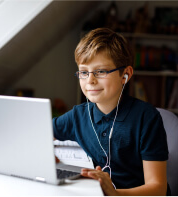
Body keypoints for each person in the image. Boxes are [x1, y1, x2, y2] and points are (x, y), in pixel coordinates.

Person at [52, 28, 169, 196]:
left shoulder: (146, 118)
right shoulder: (78, 115)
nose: (90, 80)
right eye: (84, 72)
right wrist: (49, 159)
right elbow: (41, 133)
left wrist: (115, 194)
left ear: (125, 75)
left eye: (101, 71)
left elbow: (158, 188)